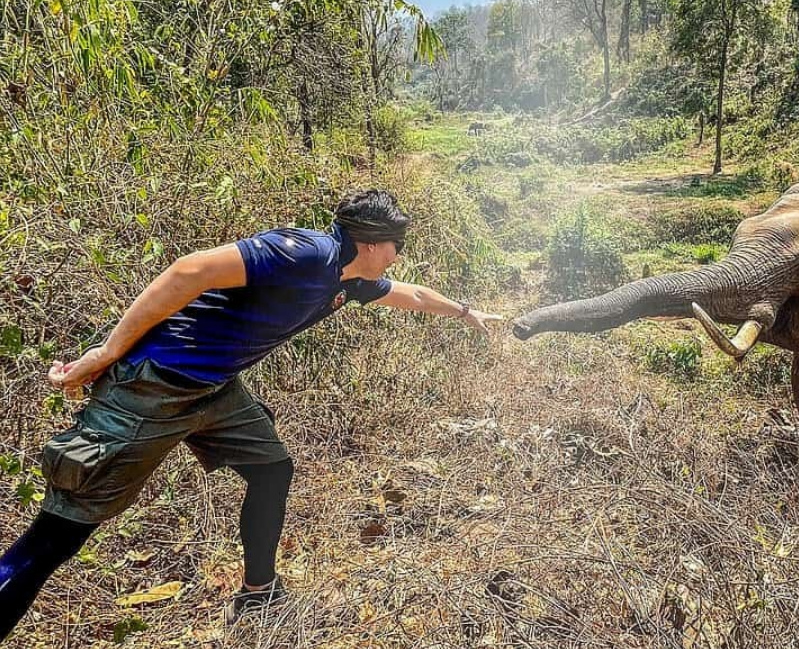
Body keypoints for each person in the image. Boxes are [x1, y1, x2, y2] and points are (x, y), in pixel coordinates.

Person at [0, 189, 501, 637]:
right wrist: (108, 352)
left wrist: (464, 311)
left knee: (272, 469)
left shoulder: (346, 279)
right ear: (371, 242)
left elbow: (412, 294)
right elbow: (190, 270)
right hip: (151, 388)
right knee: (59, 535)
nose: (397, 257)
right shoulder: (305, 252)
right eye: (397, 246)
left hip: (214, 391)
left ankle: (259, 592)